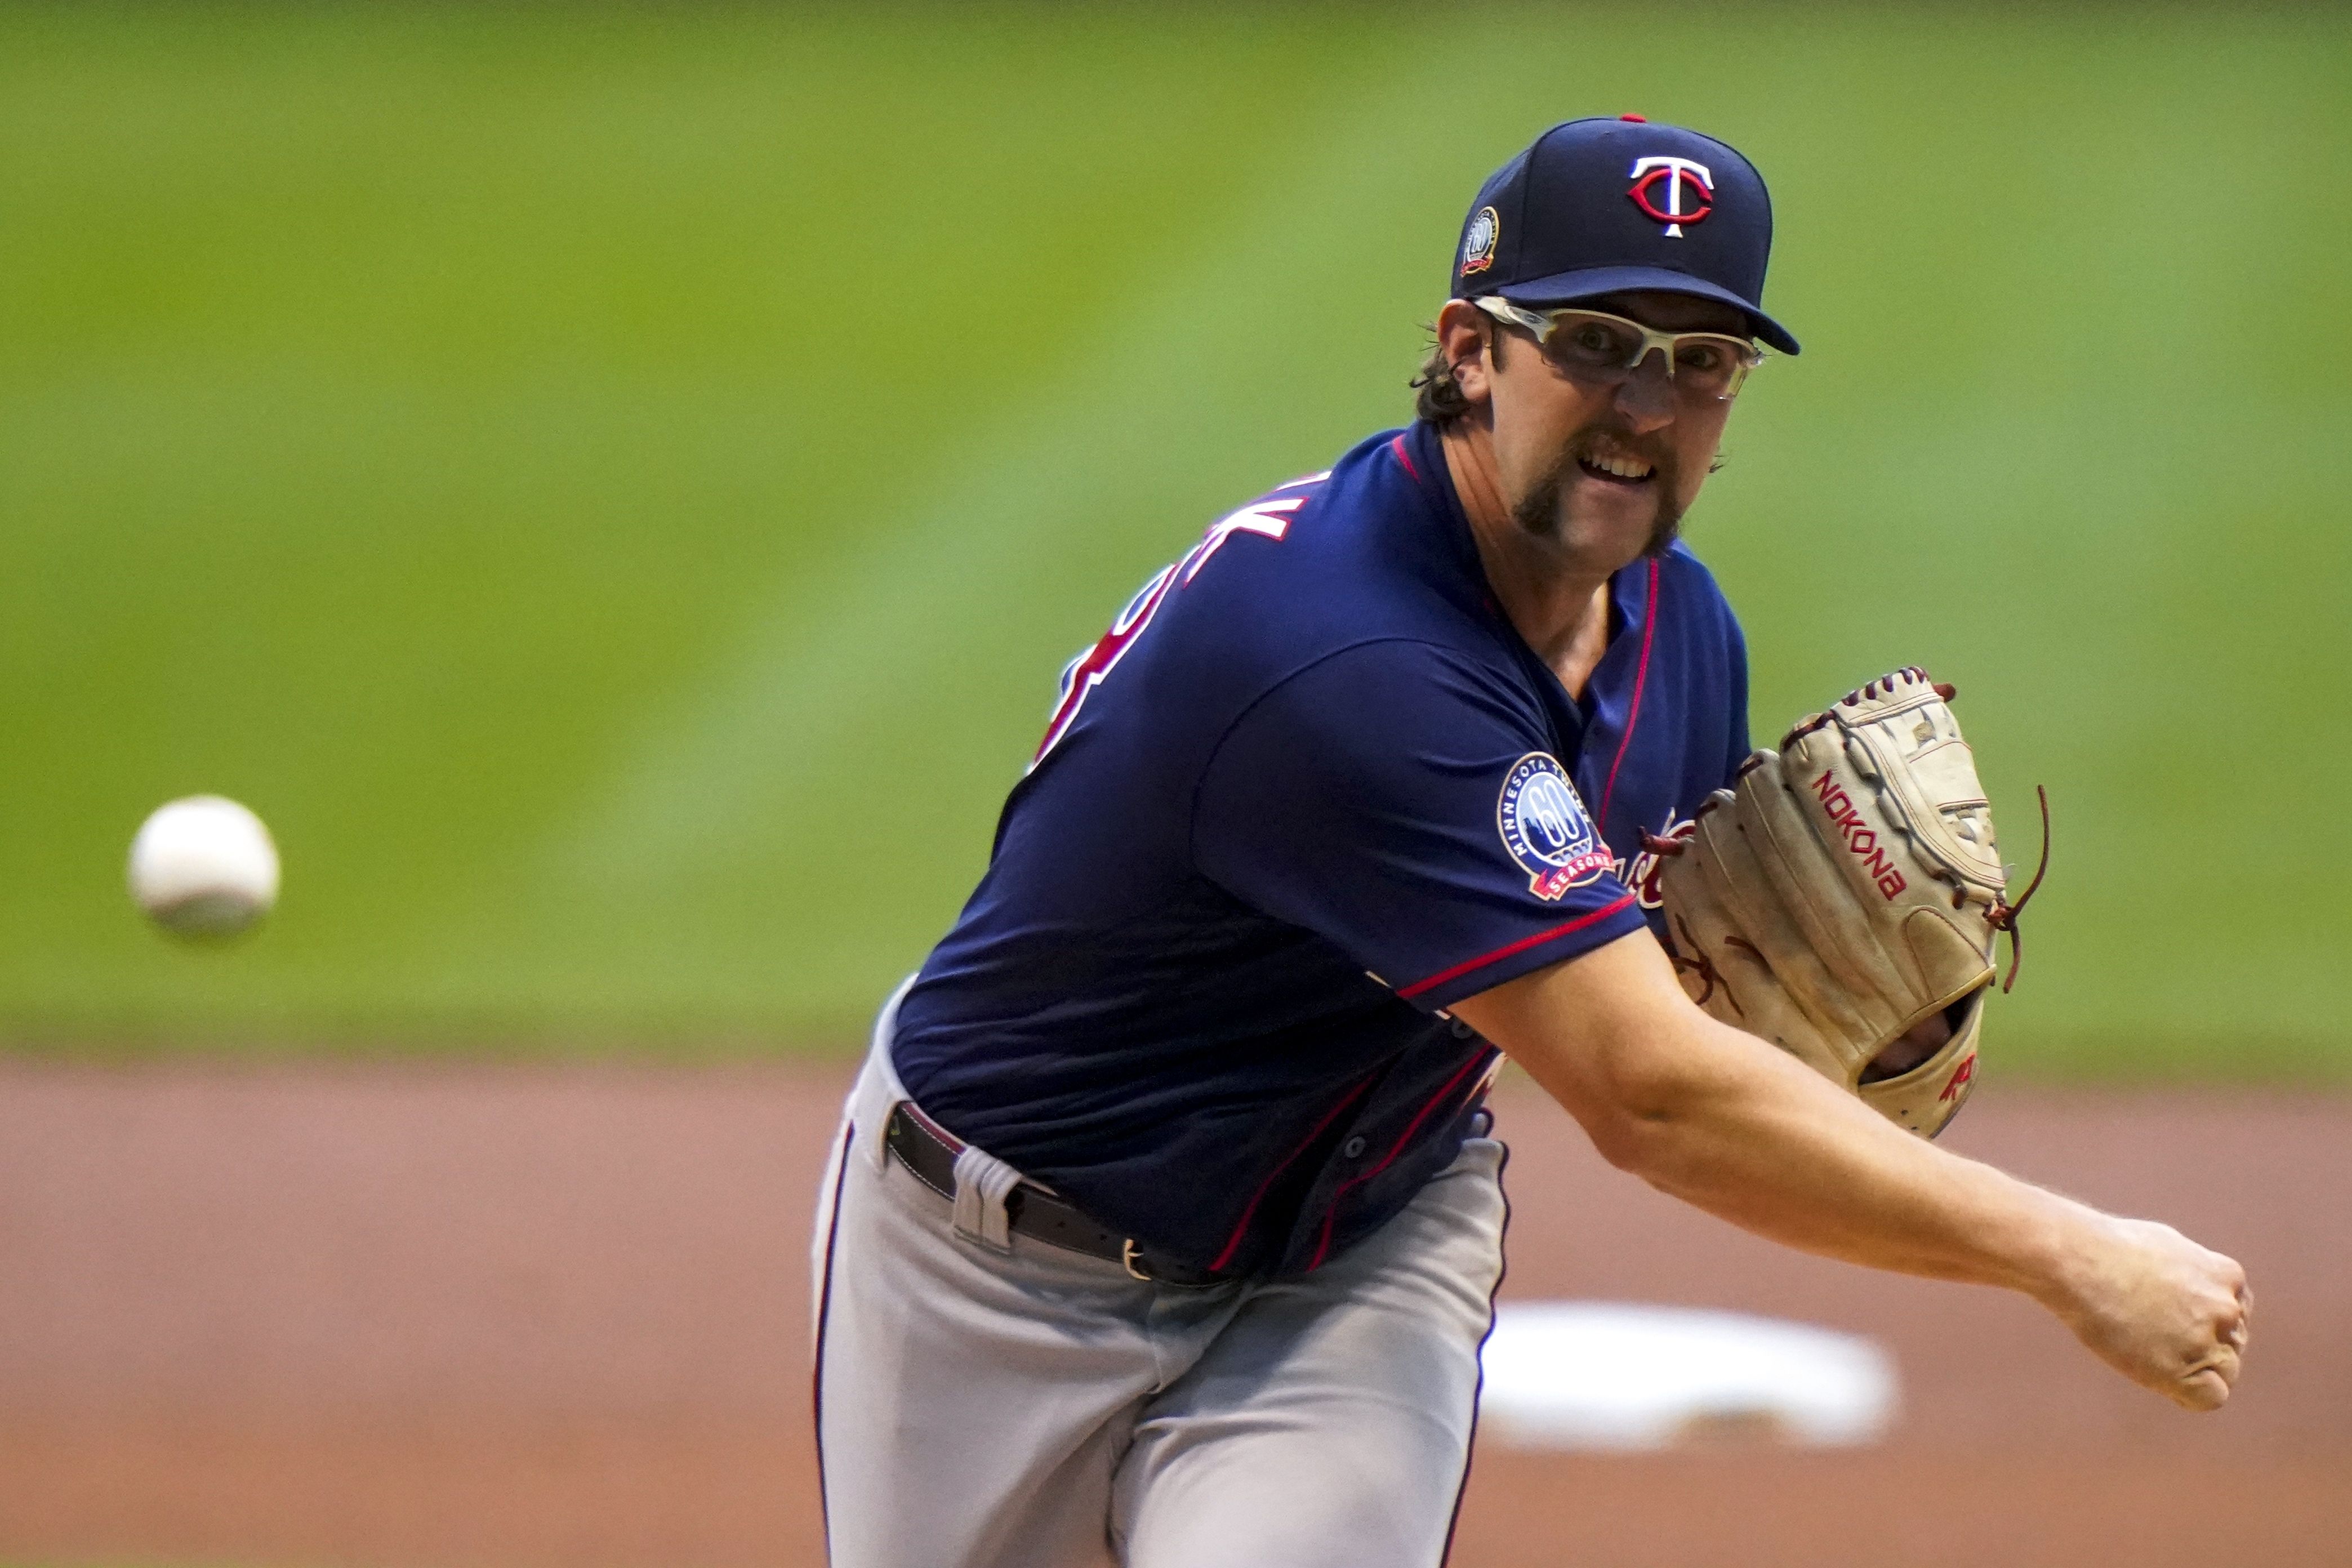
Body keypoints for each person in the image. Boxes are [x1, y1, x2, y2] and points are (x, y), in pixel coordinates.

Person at [809, 115, 2249, 1568]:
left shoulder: (1686, 641)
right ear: (1469, 350)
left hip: (1355, 1260)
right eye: (1596, 341)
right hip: (995, 1277)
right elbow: (1649, 1096)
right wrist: (2075, 1258)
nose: (1645, 405)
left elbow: (1656, 1011)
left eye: (1702, 363)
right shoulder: (1337, 653)